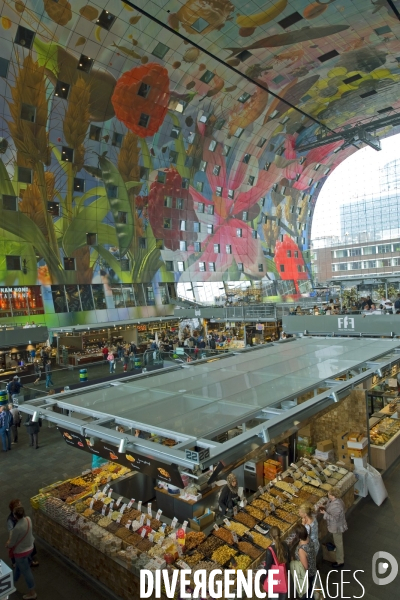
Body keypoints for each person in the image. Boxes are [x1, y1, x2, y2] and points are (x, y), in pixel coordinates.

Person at [6, 506, 37, 599]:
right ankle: (12, 582)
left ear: (15, 516)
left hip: (21, 552)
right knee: (19, 567)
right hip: (30, 547)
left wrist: (8, 544)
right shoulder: (28, 519)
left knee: (27, 572)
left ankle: (32, 592)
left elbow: (12, 543)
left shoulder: (17, 528)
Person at [319, 487, 347, 568]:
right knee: (337, 542)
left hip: (337, 527)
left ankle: (340, 561)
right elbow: (329, 506)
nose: (328, 494)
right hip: (334, 526)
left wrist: (325, 513)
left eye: (329, 494)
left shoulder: (337, 506)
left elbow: (334, 518)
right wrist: (324, 506)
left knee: (339, 543)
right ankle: (338, 556)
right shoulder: (334, 500)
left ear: (333, 496)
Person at [260, 526, 290, 600]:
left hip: (274, 581)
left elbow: (267, 568)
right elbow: (288, 561)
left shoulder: (270, 550)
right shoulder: (285, 545)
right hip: (283, 578)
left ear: (270, 536)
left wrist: (261, 579)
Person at [7, 499, 39, 568]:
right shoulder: (10, 520)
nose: (21, 506)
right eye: (19, 505)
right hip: (19, 537)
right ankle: (16, 563)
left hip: (23, 535)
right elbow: (11, 532)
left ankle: (28, 561)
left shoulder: (20, 513)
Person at [294, 524, 317, 599]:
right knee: (310, 590)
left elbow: (305, 566)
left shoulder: (301, 549)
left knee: (307, 593)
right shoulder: (308, 539)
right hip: (313, 569)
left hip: (307, 574)